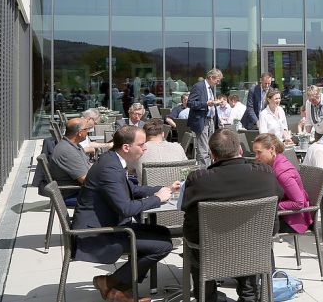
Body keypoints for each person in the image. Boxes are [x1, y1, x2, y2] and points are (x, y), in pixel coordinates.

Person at [71, 126, 179, 302]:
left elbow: (132, 189)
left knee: (163, 233)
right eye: (141, 144)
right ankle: (113, 283)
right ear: (126, 147)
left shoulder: (113, 160)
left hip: (107, 224)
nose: (145, 148)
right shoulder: (110, 169)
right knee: (163, 245)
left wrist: (163, 189)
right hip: (98, 234)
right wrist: (158, 199)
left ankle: (118, 287)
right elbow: (126, 209)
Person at [181, 129, 282, 302]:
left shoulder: (199, 180)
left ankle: (206, 296)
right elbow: (278, 198)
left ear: (212, 155)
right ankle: (249, 295)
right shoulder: (264, 175)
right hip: (253, 248)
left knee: (197, 245)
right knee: (248, 244)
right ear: (241, 150)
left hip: (210, 252)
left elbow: (188, 221)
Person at [252, 133, 311, 234]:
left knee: (252, 227)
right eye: (255, 153)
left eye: (259, 152)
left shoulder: (282, 173)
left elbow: (299, 203)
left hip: (293, 220)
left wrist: (273, 205)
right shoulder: (276, 161)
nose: (256, 157)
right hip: (284, 215)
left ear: (272, 149)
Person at [49, 117, 92, 204]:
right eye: (86, 129)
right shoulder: (67, 151)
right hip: (74, 193)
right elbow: (86, 180)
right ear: (80, 133)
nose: (88, 132)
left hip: (78, 190)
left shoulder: (72, 145)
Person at [187, 68, 223, 168]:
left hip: (210, 120)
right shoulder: (199, 86)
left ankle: (209, 170)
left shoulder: (210, 88)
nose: (218, 83)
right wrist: (206, 104)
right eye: (217, 80)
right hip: (201, 120)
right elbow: (190, 103)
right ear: (211, 77)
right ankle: (204, 173)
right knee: (203, 149)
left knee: (209, 149)